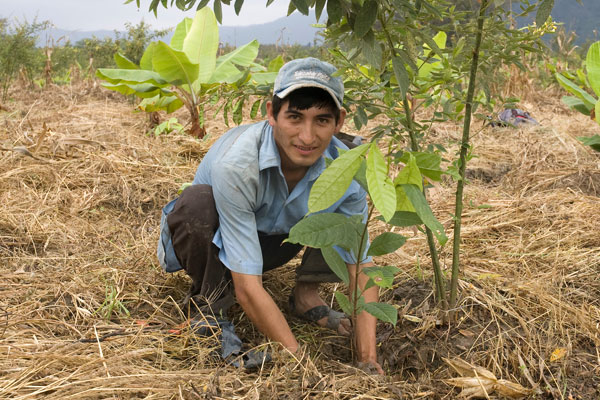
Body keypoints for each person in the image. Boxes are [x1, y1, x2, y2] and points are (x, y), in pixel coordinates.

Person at [157, 57, 382, 374]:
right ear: (271, 114)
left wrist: (367, 358)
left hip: (278, 242)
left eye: (321, 120)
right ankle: (209, 305)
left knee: (336, 212)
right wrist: (299, 362)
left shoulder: (346, 169)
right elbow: (248, 287)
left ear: (340, 121)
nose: (306, 137)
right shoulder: (238, 165)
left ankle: (305, 295)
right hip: (213, 242)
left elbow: (360, 265)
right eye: (294, 117)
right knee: (197, 204)